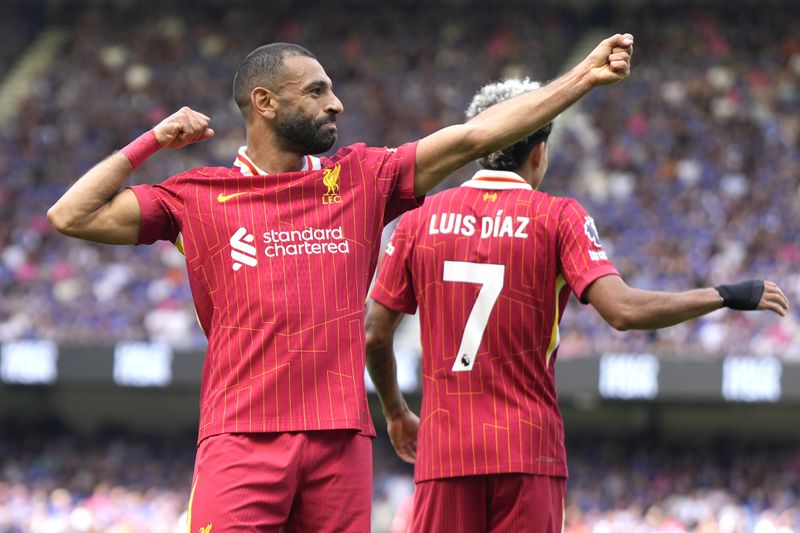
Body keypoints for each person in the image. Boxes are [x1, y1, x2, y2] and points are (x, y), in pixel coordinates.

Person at [47, 36, 633, 531]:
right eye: (317, 92)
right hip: (240, 437)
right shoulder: (196, 197)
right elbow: (70, 215)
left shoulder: (358, 179)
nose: (338, 104)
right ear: (264, 102)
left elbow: (473, 138)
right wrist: (153, 140)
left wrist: (582, 77)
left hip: (341, 441)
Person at [364, 77, 790, 533]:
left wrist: (395, 411)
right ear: (539, 152)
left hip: (445, 451)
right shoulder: (558, 217)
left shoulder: (417, 221)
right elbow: (624, 311)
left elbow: (374, 332)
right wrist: (724, 294)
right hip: (528, 450)